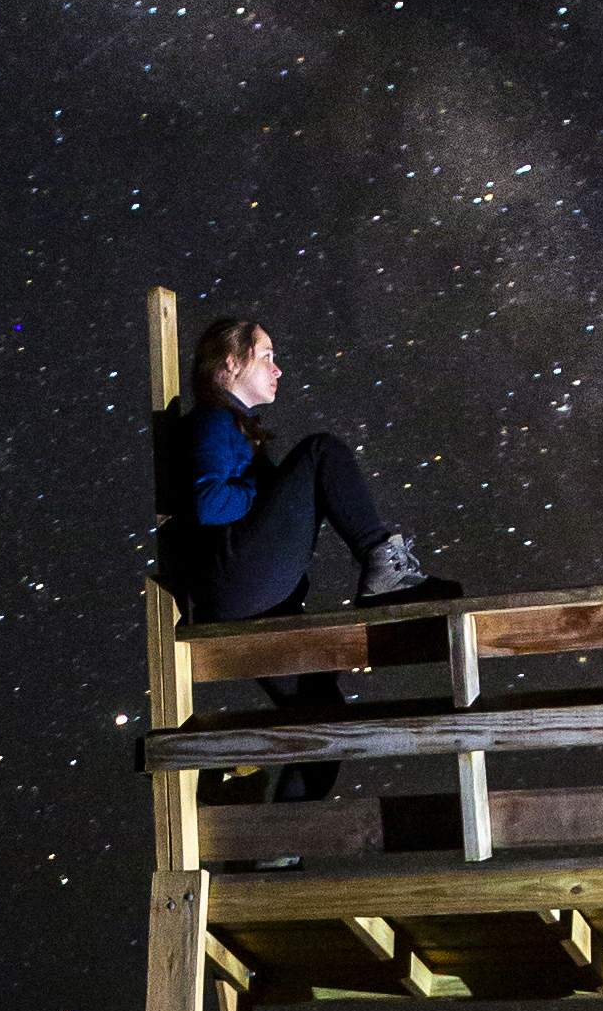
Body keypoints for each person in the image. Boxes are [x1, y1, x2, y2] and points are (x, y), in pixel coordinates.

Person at [166, 316, 445, 798]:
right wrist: (268, 488)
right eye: (267, 356)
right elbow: (208, 503)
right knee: (321, 452)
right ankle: (383, 564)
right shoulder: (213, 420)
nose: (278, 370)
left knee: (325, 719)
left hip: (254, 598)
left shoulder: (233, 425)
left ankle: (281, 848)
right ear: (231, 363)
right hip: (235, 582)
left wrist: (268, 491)